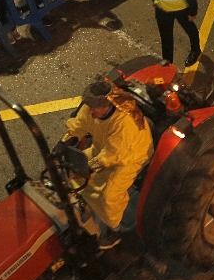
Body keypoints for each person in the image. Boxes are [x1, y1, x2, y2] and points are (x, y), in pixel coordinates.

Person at [62, 79, 152, 249]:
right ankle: (87, 204)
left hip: (131, 158)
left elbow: (114, 155)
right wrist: (64, 142)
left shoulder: (124, 122)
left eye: (94, 108)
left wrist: (87, 167)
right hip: (105, 149)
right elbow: (79, 125)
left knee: (110, 197)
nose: (90, 110)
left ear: (107, 105)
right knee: (74, 171)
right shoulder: (93, 109)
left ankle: (115, 229)